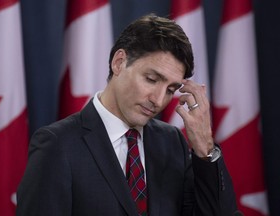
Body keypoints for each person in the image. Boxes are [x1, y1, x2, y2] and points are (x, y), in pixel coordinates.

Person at [16, 14, 238, 216]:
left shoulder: (172, 143)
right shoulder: (57, 145)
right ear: (119, 62)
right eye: (151, 79)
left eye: (171, 90)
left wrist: (205, 149)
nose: (159, 100)